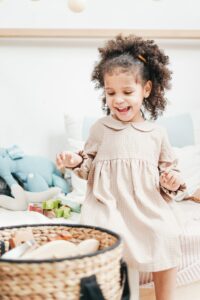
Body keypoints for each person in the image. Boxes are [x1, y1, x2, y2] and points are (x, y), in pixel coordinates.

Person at [56, 34, 186, 300]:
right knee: (106, 234)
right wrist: (76, 161)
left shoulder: (156, 133)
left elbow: (168, 171)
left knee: (166, 233)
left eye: (127, 92)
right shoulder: (100, 128)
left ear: (146, 90)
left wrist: (171, 180)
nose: (118, 100)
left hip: (147, 204)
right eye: (110, 92)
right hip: (109, 204)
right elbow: (88, 163)